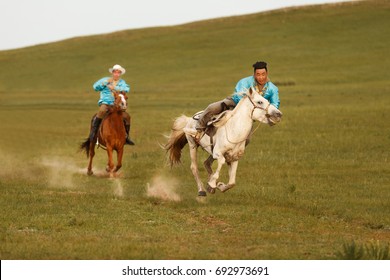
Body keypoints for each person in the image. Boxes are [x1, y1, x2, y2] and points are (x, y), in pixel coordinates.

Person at [194, 61, 280, 141]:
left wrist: (269, 113)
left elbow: (275, 104)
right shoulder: (245, 82)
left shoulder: (273, 89)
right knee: (212, 107)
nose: (261, 77)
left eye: (263, 74)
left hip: (250, 112)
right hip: (234, 102)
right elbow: (239, 96)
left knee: (247, 139)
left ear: (267, 74)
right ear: (254, 74)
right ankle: (199, 129)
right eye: (258, 74)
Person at [88, 64, 135, 145]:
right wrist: (104, 83)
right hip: (106, 102)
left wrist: (114, 88)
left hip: (117, 105)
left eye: (118, 72)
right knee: (102, 111)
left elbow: (126, 90)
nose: (116, 74)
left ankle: (126, 136)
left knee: (126, 116)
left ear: (120, 74)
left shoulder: (122, 83)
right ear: (112, 73)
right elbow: (95, 87)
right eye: (115, 72)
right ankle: (93, 133)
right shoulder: (105, 80)